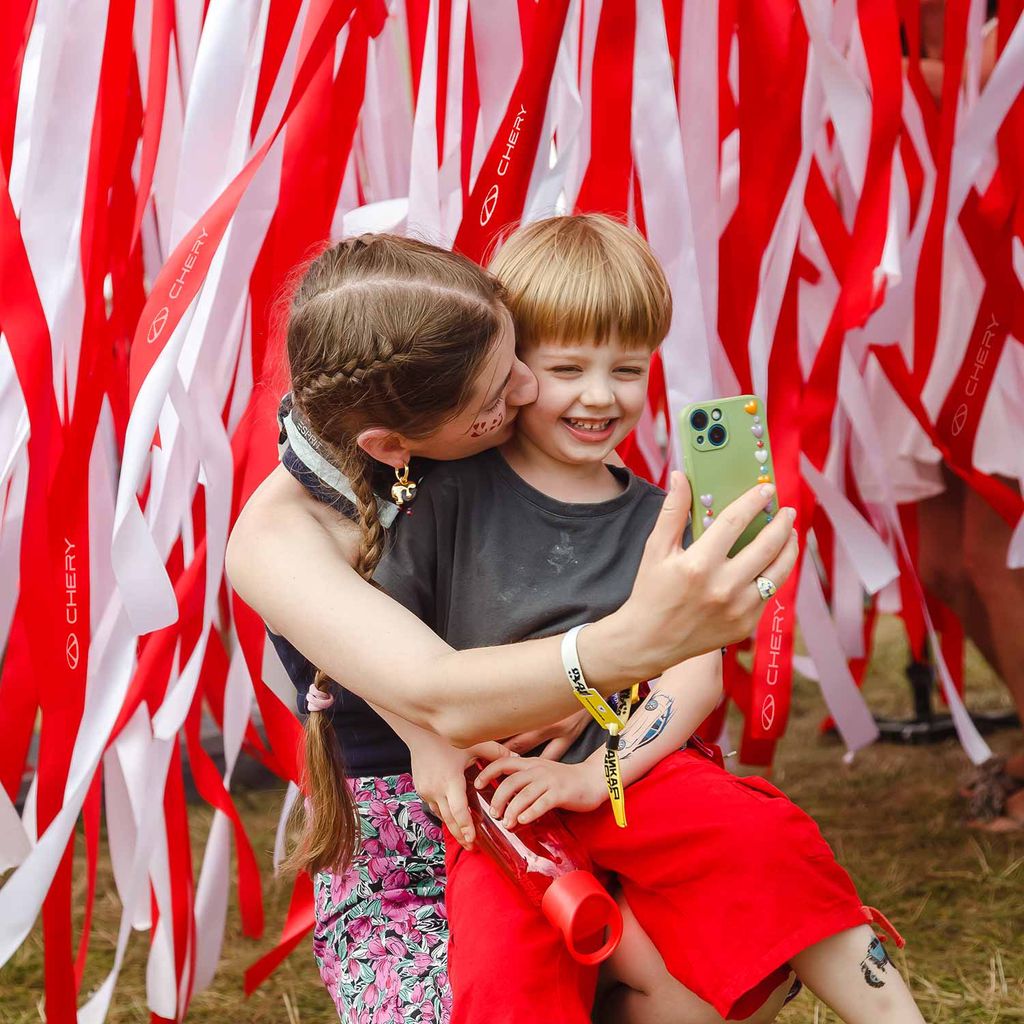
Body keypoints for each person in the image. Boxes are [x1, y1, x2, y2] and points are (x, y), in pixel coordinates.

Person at [224, 232, 799, 1021]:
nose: (529, 390)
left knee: (736, 958)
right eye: (501, 390)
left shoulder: (449, 406)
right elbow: (441, 694)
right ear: (391, 445)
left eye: (518, 358)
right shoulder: (278, 536)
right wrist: (633, 646)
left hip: (569, 802)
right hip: (426, 851)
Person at [372, 215, 927, 1024]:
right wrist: (434, 739)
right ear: (511, 372)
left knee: (768, 848)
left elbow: (695, 674)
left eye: (627, 369)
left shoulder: (659, 516)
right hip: (504, 809)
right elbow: (376, 643)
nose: (601, 395)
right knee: (502, 974)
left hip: (641, 772)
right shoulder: (445, 495)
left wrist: (595, 778)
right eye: (568, 367)